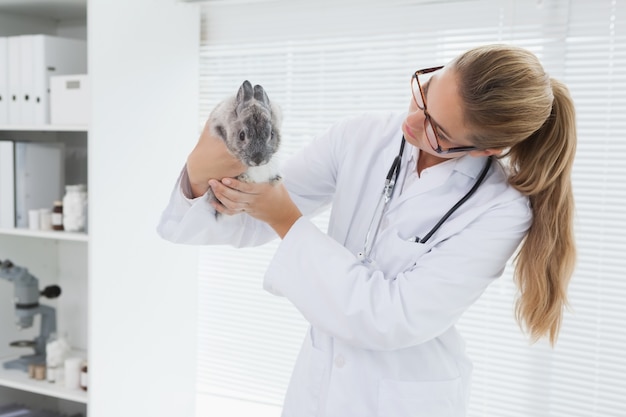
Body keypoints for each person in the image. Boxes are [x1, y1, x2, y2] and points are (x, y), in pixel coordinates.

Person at [157, 44, 577, 417]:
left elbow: (391, 317)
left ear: (485, 149)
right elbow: (251, 217)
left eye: (438, 131)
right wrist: (205, 173)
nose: (412, 123)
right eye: (424, 93)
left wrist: (285, 218)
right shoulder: (362, 137)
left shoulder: (500, 211)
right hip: (317, 387)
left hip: (406, 396)